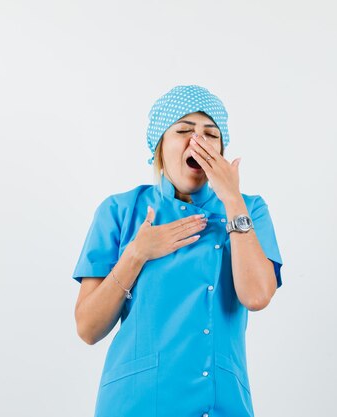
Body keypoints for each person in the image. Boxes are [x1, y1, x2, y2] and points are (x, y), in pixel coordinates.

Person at [71, 84, 283, 417]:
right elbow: (88, 328)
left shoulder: (249, 210)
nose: (197, 142)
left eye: (211, 135)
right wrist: (136, 254)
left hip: (221, 405)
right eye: (183, 130)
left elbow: (257, 296)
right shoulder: (120, 210)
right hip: (134, 405)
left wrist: (231, 199)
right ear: (159, 146)